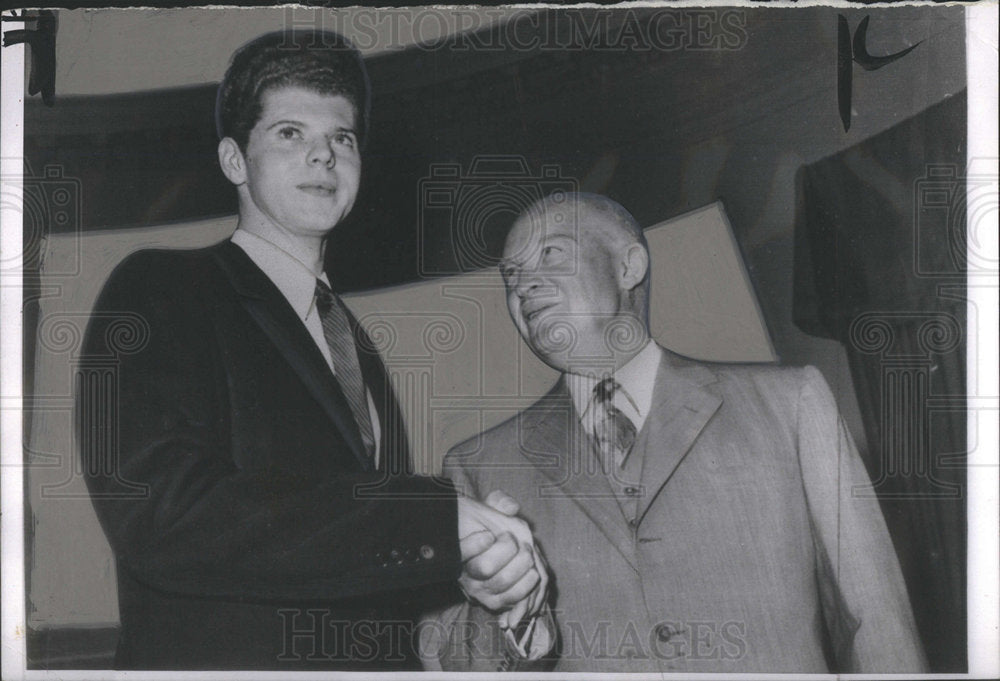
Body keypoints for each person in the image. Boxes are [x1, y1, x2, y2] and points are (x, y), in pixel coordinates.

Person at [76, 29, 545, 671]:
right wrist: (431, 520)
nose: (323, 156)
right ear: (235, 161)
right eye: (290, 133)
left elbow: (341, 553)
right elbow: (163, 515)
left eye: (341, 139)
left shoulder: (353, 342)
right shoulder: (162, 286)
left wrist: (467, 573)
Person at [428, 192, 928, 672]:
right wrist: (506, 618)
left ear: (629, 267)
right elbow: (464, 666)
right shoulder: (476, 467)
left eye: (550, 254)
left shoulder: (791, 405)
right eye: (510, 275)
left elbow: (878, 623)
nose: (522, 286)